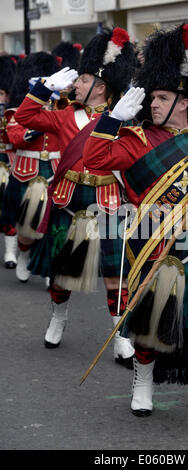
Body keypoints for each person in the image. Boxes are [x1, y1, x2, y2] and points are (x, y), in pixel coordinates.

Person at [83, 22, 188, 442]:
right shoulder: (136, 138)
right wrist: (110, 120)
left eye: (159, 97)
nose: (151, 104)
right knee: (150, 325)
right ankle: (142, 384)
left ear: (184, 99)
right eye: (151, 96)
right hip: (151, 244)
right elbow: (96, 162)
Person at [14, 27, 136, 368]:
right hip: (69, 198)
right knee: (62, 270)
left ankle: (120, 337)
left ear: (99, 86)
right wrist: (41, 90)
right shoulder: (66, 115)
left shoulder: (122, 118)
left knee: (115, 273)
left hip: (107, 198)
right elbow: (24, 118)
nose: (74, 86)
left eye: (81, 80)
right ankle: (58, 319)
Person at [1, 52, 61, 283]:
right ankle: (23, 254)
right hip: (27, 171)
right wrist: (39, 124)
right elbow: (16, 138)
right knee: (26, 225)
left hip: (54, 171)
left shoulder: (60, 112)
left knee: (52, 224)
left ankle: (47, 267)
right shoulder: (17, 113)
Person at [0, 55, 18, 268]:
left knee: (9, 209)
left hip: (10, 162)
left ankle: (11, 252)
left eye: (2, 93)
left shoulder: (13, 113)